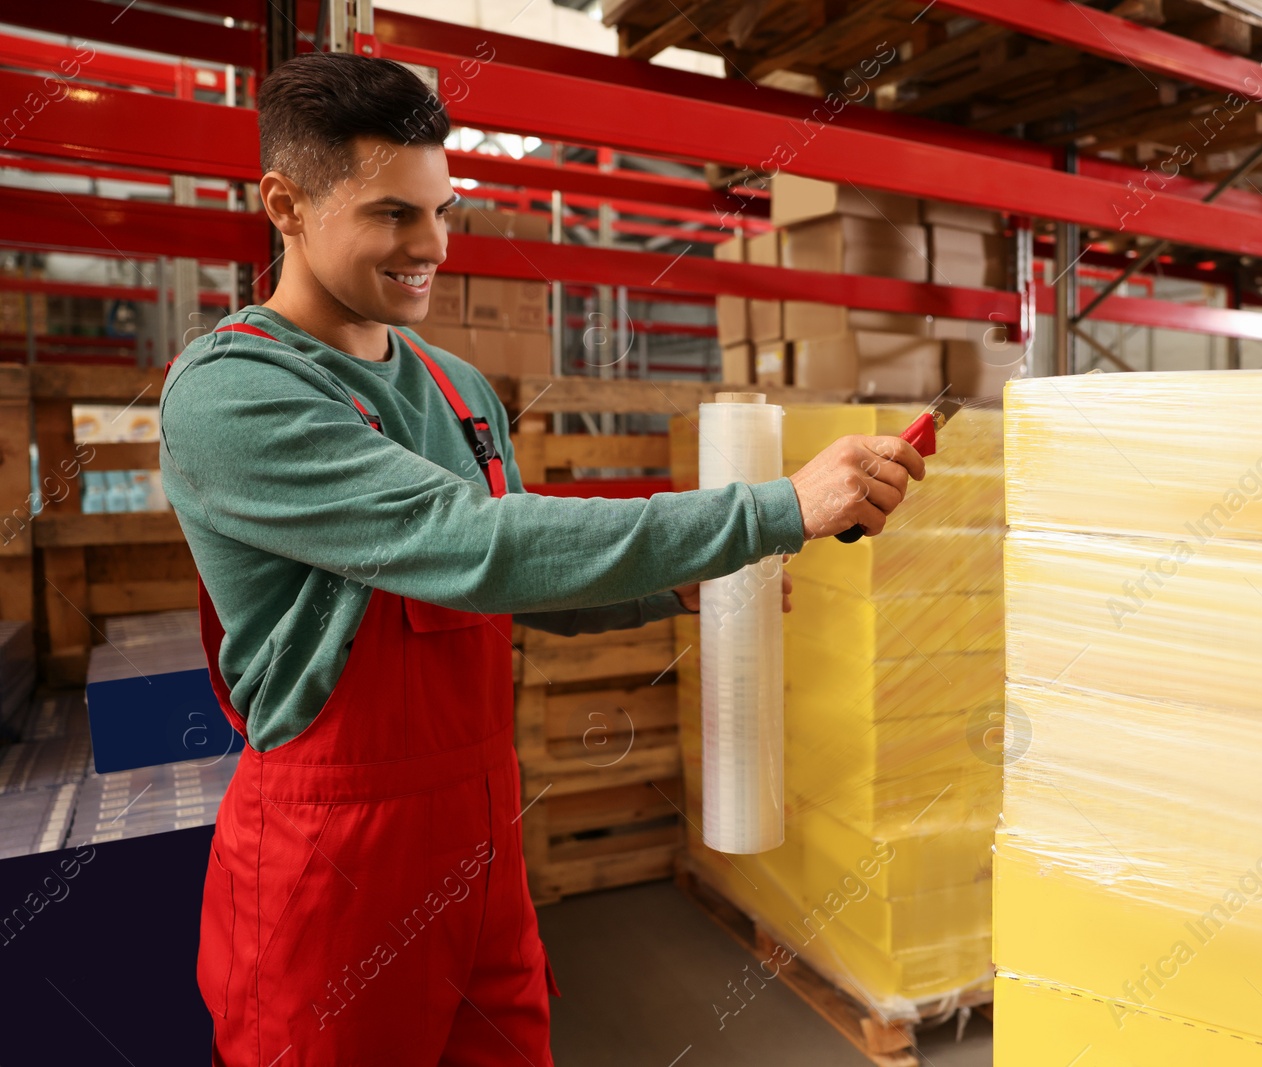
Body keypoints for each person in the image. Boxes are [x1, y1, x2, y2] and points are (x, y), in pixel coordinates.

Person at [158, 51, 925, 1067]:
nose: (432, 244)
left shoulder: (455, 382)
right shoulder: (232, 394)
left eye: (444, 209)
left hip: (481, 839)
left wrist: (672, 586)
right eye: (394, 214)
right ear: (285, 204)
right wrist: (774, 507)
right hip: (336, 858)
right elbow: (470, 541)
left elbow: (513, 582)